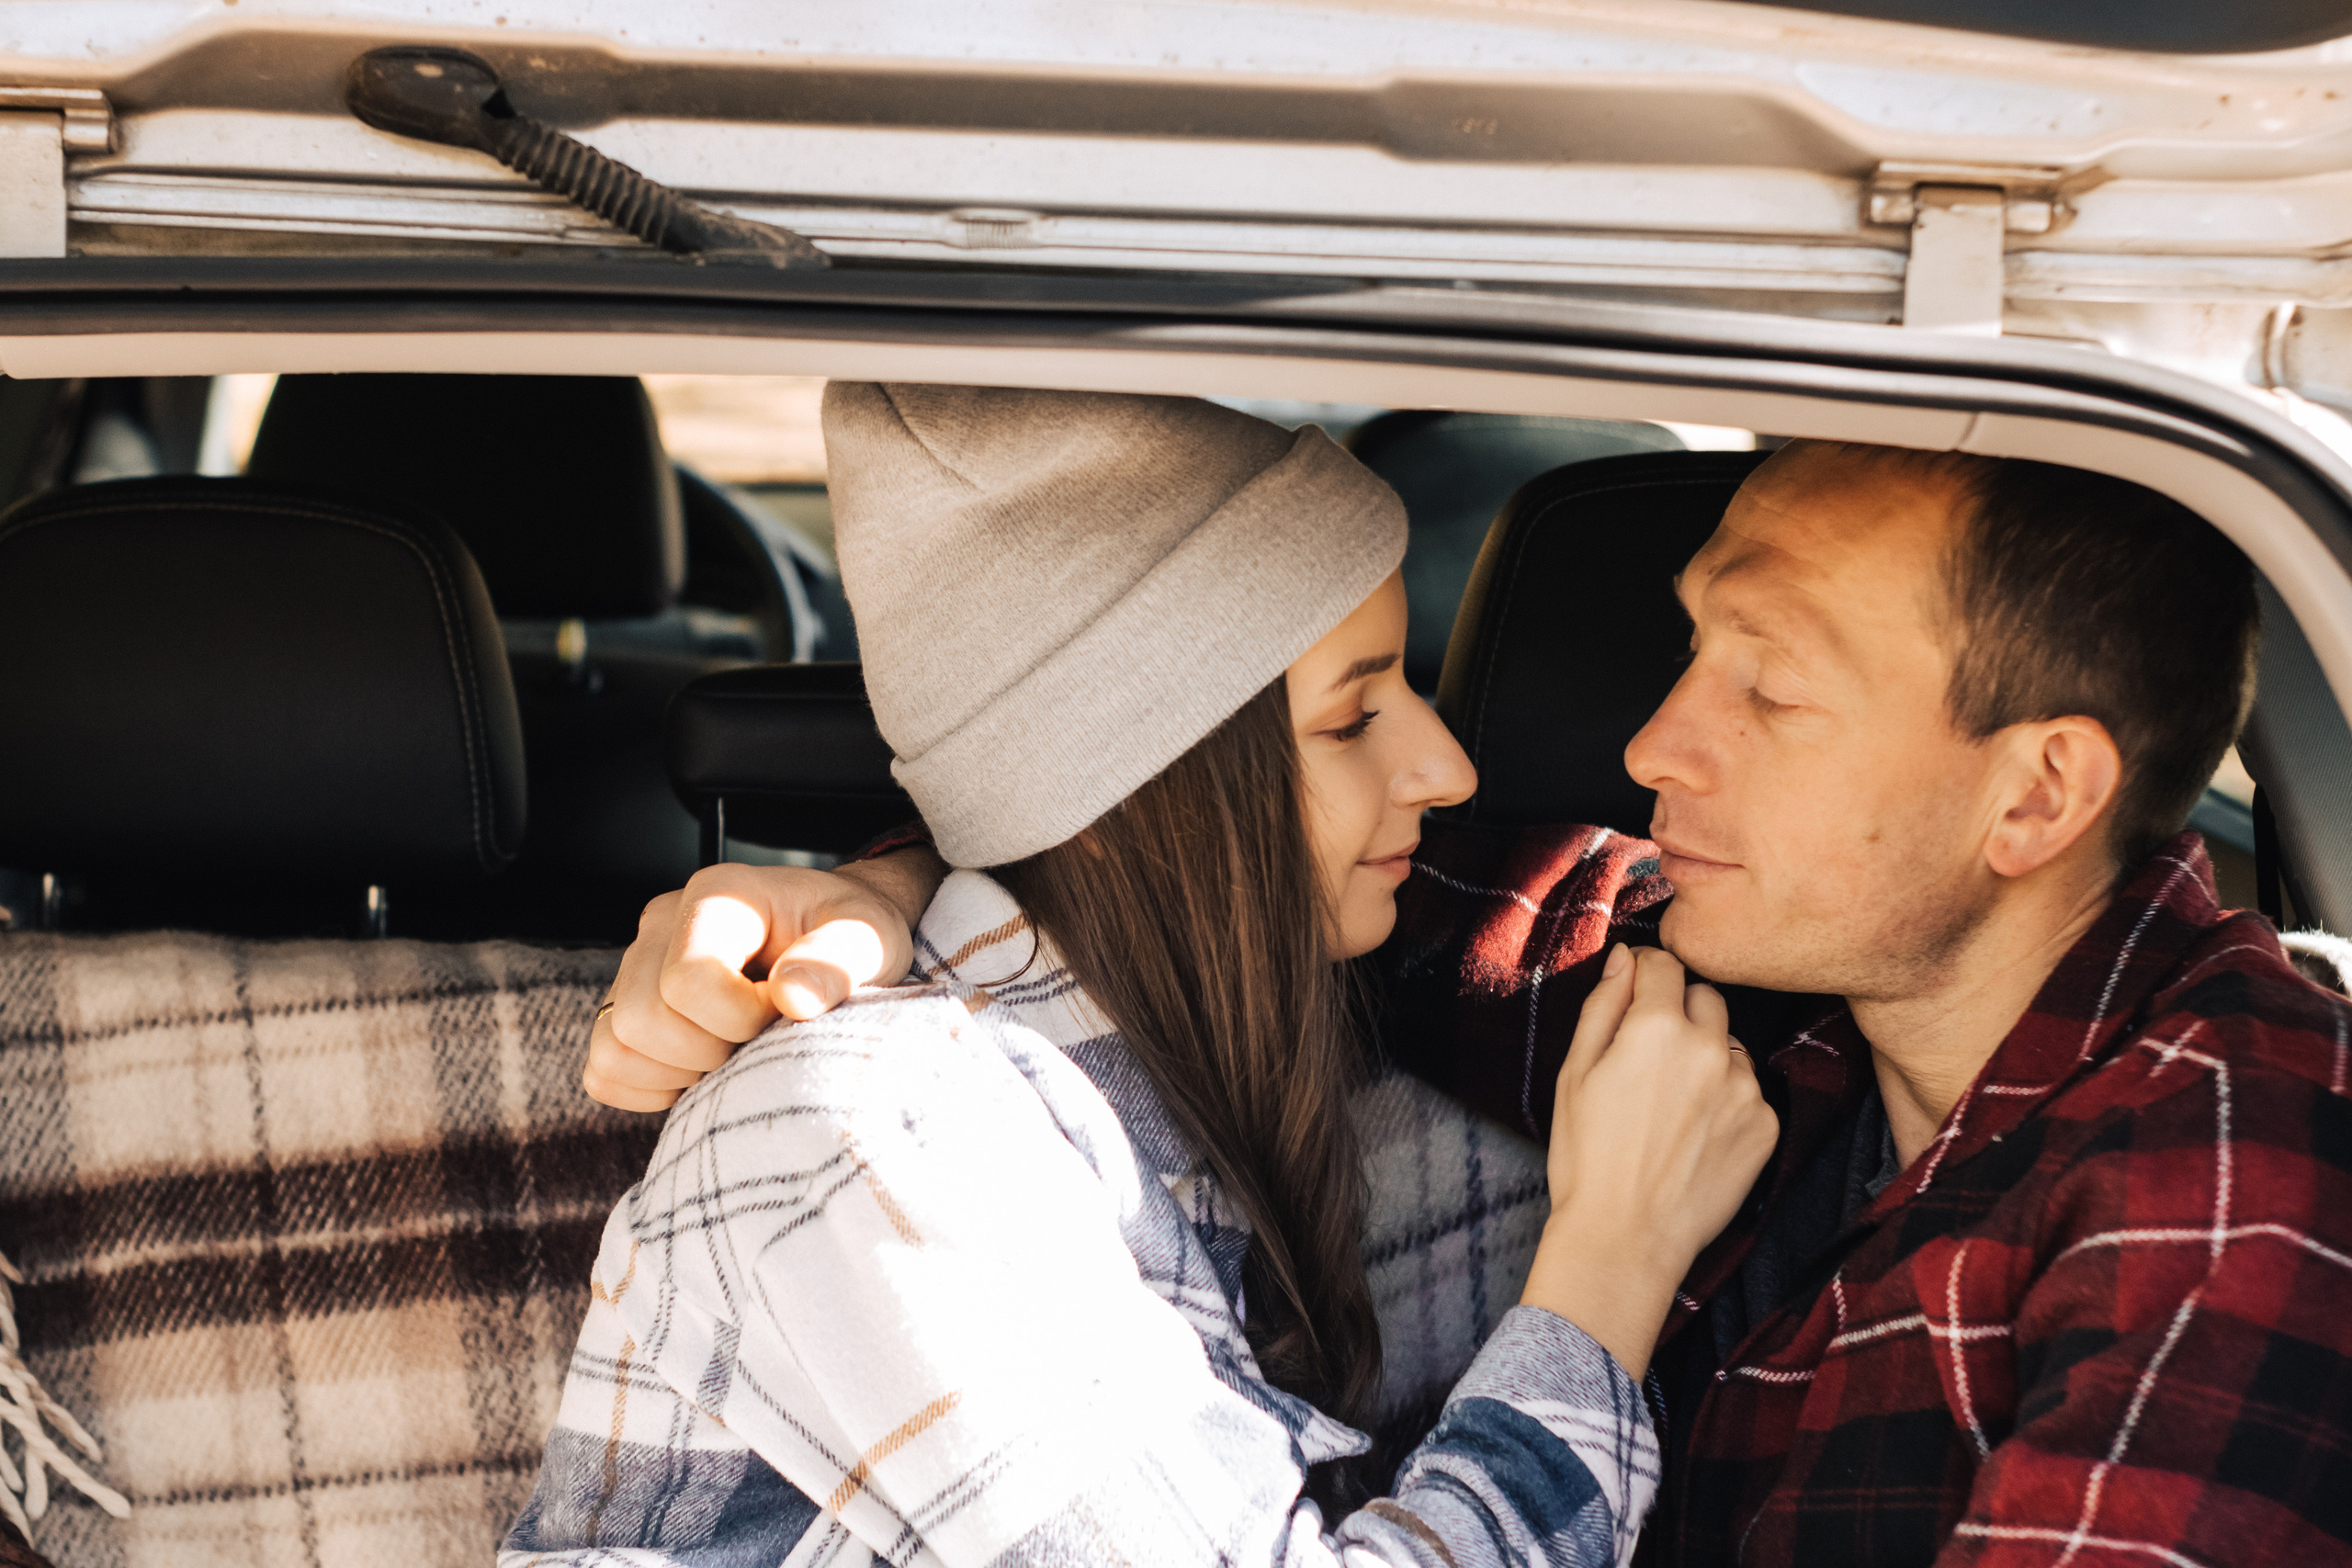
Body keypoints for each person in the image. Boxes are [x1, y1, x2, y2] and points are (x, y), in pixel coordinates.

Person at [594, 436, 2352, 1564]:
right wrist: (877, 898)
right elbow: (1137, 855)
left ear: (2032, 800)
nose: (1654, 746)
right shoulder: (1729, 980)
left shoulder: (2230, 1180)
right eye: (1688, 651)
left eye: (1771, 688)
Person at [506, 384, 1778, 1567]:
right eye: (1351, 718)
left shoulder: (1258, 1029)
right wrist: (1610, 1267)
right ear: (1126, 792)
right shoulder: (870, 1130)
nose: (1446, 768)